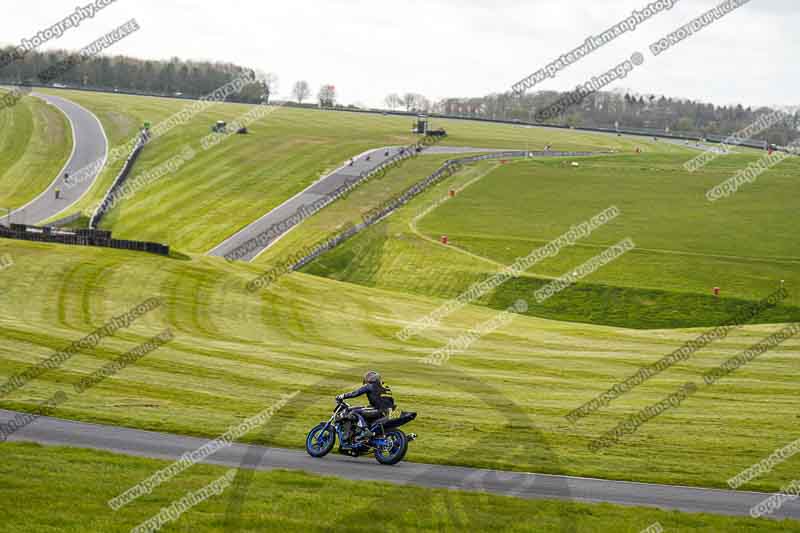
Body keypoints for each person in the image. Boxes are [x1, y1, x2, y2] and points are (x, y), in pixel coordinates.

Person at [336, 371, 395, 441]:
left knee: (354, 412)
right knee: (364, 409)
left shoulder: (370, 386)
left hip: (379, 410)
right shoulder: (384, 386)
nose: (366, 380)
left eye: (367, 378)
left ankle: (365, 430)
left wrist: (342, 396)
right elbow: (388, 400)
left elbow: (355, 393)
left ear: (371, 378)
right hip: (389, 410)